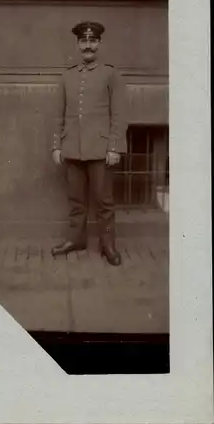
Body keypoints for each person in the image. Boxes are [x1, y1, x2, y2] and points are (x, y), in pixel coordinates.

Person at [51, 21, 128, 265]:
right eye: (83, 41)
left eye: (92, 41)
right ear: (77, 44)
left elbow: (119, 114)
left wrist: (114, 147)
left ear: (99, 43)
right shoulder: (67, 76)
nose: (88, 46)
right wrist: (57, 145)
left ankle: (108, 245)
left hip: (100, 150)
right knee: (76, 200)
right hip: (73, 148)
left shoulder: (111, 74)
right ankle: (76, 239)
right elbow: (58, 114)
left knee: (103, 202)